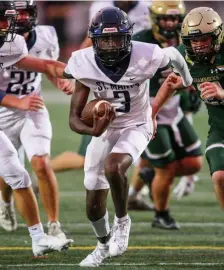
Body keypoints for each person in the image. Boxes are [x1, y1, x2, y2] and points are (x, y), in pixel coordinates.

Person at [64, 7, 192, 267]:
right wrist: (94, 130)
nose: (111, 45)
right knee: (92, 201)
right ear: (95, 40)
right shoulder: (83, 61)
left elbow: (176, 57)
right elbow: (74, 119)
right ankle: (101, 245)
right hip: (106, 127)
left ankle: (123, 222)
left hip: (137, 123)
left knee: (113, 167)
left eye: (116, 38)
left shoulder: (146, 53)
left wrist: (187, 80)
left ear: (128, 37)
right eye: (105, 39)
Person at [0, 1, 73, 256]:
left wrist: (73, 75)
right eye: (7, 17)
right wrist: (16, 101)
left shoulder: (16, 41)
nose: (12, 22)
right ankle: (6, 202)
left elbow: (44, 65)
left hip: (32, 107)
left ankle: (48, 229)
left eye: (20, 14)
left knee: (36, 166)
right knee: (10, 173)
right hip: (4, 111)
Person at [50, 0, 152, 174]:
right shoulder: (101, 7)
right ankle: (43, 173)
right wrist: (79, 68)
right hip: (112, 79)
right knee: (85, 158)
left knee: (147, 149)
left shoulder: (147, 7)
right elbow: (92, 40)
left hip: (138, 77)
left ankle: (136, 194)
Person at [128, 0, 203, 228]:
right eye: (165, 19)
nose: (170, 24)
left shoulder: (186, 40)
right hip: (148, 110)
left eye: (173, 19)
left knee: (193, 164)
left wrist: (193, 90)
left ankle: (151, 174)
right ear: (154, 19)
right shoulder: (140, 41)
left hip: (174, 110)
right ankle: (161, 214)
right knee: (166, 167)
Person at [151, 7, 224, 218]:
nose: (199, 45)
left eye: (204, 39)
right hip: (220, 128)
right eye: (194, 40)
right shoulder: (185, 56)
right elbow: (171, 83)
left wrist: (221, 93)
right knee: (219, 176)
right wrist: (152, 113)